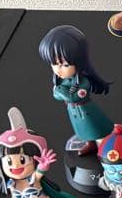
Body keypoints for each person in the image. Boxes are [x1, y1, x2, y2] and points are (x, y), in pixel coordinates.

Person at [39, 25, 113, 155]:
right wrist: (62, 91)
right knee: (82, 129)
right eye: (54, 64)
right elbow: (57, 95)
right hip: (73, 111)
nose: (58, 69)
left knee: (96, 128)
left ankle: (106, 144)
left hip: (86, 111)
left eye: (65, 65)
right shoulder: (61, 80)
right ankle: (90, 144)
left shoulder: (83, 81)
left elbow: (72, 97)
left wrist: (62, 91)